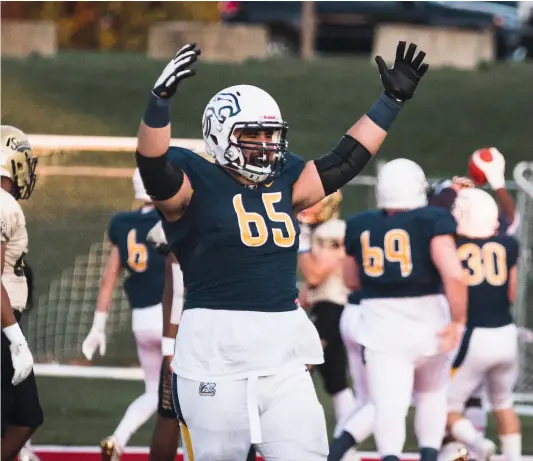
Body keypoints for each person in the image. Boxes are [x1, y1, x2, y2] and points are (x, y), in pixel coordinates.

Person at [135, 41, 429, 460]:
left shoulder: (284, 177)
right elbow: (152, 165)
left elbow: (344, 161)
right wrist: (159, 103)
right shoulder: (194, 176)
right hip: (214, 357)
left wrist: (390, 101)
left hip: (282, 358)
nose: (264, 144)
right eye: (251, 134)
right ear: (220, 134)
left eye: (270, 134)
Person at [340, 158, 467, 461]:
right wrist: (459, 321)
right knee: (431, 397)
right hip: (428, 322)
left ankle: (390, 456)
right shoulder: (434, 219)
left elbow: (351, 279)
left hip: (381, 325)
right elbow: (454, 274)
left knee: (388, 405)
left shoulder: (359, 225)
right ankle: (428, 455)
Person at [82, 169, 166, 461]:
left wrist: (98, 326)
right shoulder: (171, 220)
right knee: (188, 391)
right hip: (170, 317)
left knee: (154, 391)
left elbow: (109, 279)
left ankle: (117, 441)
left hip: (141, 321)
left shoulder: (122, 223)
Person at [446, 188, 522, 461]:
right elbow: (511, 293)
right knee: (503, 403)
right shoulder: (509, 245)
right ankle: (513, 457)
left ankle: (479, 444)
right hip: (505, 332)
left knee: (445, 407)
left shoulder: (453, 246)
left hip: (473, 333)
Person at [1, 125, 43, 461]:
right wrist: (15, 338)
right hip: (2, 326)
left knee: (25, 416)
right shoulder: (3, 203)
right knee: (18, 417)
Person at [297, 192, 356, 426]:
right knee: (336, 380)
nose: (310, 208)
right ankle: (348, 448)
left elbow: (314, 274)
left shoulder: (332, 231)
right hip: (327, 306)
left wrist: (301, 243)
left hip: (332, 308)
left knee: (298, 368)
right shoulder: (325, 231)